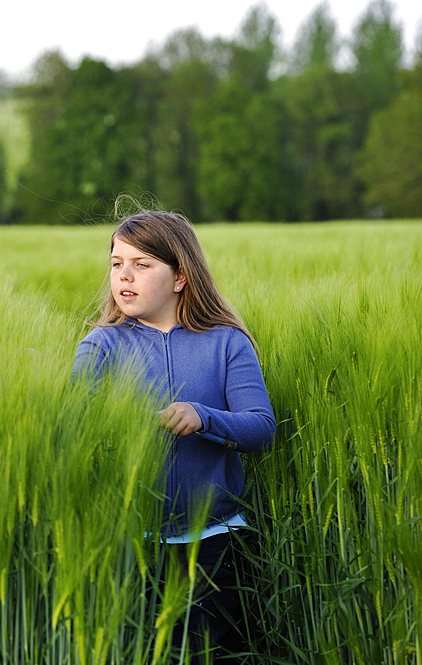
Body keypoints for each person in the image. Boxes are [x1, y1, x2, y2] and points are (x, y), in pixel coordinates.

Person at [70, 207, 276, 661]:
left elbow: (262, 427)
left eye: (142, 265)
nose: (125, 276)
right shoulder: (100, 346)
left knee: (209, 655)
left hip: (215, 542)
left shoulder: (226, 342)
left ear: (180, 276)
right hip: (132, 543)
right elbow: (74, 424)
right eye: (116, 263)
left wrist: (204, 418)